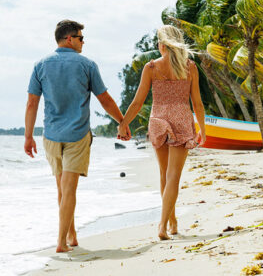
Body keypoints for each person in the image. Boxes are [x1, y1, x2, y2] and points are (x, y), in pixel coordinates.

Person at [24, 19, 131, 253]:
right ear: (69, 38)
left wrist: (28, 136)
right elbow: (104, 99)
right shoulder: (87, 65)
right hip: (77, 135)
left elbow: (32, 103)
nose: (84, 42)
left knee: (62, 190)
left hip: (51, 135)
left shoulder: (40, 64)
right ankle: (61, 242)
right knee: (69, 189)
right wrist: (121, 121)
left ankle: (72, 236)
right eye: (81, 38)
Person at [118, 25, 206, 240]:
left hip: (158, 119)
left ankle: (171, 222)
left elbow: (138, 102)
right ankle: (163, 224)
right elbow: (197, 103)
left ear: (162, 44)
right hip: (182, 119)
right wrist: (202, 128)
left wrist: (123, 123)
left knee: (163, 174)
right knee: (173, 177)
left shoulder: (151, 67)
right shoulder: (190, 67)